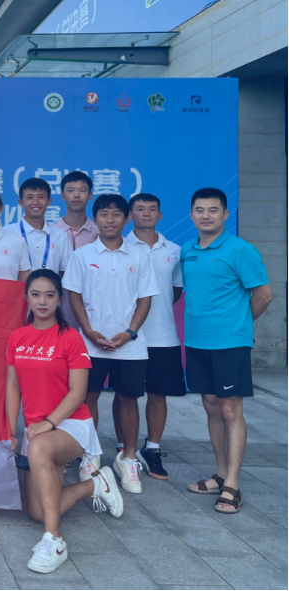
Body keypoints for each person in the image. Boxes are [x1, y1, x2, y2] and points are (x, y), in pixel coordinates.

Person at [6, 270, 123, 575]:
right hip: (37, 430)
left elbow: (78, 393)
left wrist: (49, 422)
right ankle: (96, 484)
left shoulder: (71, 338)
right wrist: (11, 430)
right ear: (26, 297)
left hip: (71, 424)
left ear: (59, 299)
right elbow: (13, 387)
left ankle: (55, 542)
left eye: (49, 295)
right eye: (35, 294)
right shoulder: (17, 337)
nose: (42, 301)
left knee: (39, 448)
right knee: (39, 511)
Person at [182, 188, 272, 515]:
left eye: (213, 210)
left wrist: (238, 326)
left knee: (231, 409)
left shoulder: (240, 250)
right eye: (200, 210)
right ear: (191, 214)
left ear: (225, 214)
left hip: (230, 344)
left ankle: (232, 484)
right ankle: (220, 474)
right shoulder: (187, 250)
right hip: (197, 341)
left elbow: (263, 295)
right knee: (210, 406)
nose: (206, 215)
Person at [62, 194, 159, 495]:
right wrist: (88, 331)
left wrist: (130, 332)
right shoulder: (82, 255)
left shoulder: (140, 256)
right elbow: (74, 295)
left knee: (128, 399)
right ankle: (89, 455)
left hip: (129, 345)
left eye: (117, 214)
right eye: (104, 214)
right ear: (95, 219)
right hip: (90, 344)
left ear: (126, 218)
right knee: (87, 398)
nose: (110, 220)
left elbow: (145, 299)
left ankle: (127, 458)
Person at [121, 194, 185, 481]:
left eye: (152, 209)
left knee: (158, 395)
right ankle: (124, 448)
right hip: (128, 336)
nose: (146, 213)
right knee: (126, 395)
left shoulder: (174, 250)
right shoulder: (120, 247)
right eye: (140, 209)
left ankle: (152, 448)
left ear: (160, 215)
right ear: (130, 215)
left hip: (163, 336)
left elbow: (175, 291)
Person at [17, 178, 72, 275]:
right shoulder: (8, 233)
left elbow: (67, 273)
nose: (35, 202)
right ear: (21, 202)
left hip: (52, 285)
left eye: (41, 197)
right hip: (18, 286)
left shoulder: (60, 235)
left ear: (49, 201)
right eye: (30, 197)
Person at [56, 171, 98, 250]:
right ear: (62, 195)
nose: (76, 195)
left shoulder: (99, 232)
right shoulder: (51, 232)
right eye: (70, 190)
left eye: (82, 190)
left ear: (90, 195)